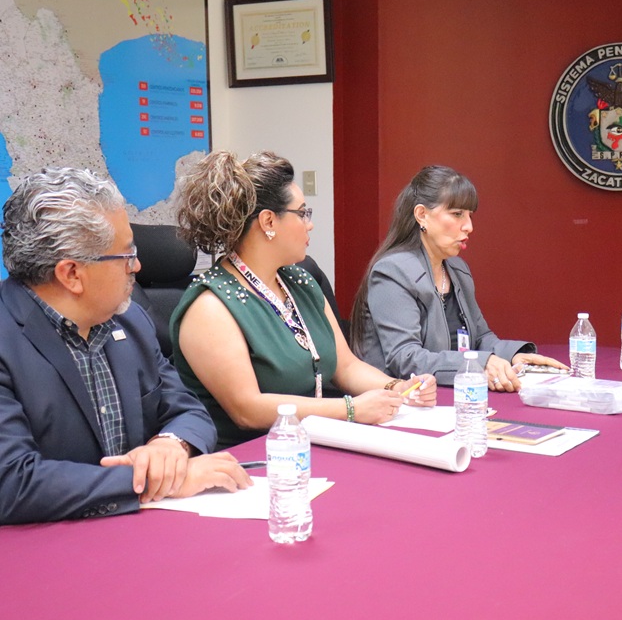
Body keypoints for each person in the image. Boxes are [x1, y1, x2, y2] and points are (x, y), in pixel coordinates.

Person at [0, 168, 251, 525]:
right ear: (71, 274)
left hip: (145, 531)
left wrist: (170, 445)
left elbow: (188, 409)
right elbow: (12, 483)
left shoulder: (129, 319)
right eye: (125, 255)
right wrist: (150, 482)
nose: (137, 265)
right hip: (48, 550)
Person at [171, 151, 437, 450]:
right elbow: (247, 409)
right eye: (302, 213)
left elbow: (346, 367)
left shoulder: (300, 281)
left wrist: (395, 388)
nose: (309, 225)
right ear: (269, 221)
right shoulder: (211, 307)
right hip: (249, 458)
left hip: (315, 443)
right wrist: (351, 410)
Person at [350, 165, 567, 392]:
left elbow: (481, 338)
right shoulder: (392, 271)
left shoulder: (456, 269)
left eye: (469, 215)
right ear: (422, 215)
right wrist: (480, 364)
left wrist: (514, 357)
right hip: (401, 404)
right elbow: (405, 358)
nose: (469, 226)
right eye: (457, 214)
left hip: (452, 396)